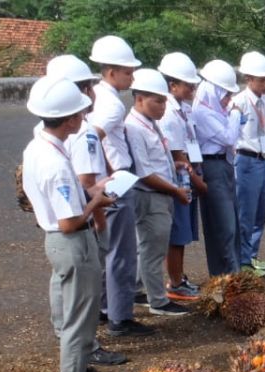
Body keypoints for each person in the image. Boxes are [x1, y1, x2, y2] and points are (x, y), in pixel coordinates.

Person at [22, 77, 116, 372]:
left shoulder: (36, 147)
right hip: (72, 240)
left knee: (67, 307)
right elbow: (69, 221)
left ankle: (73, 371)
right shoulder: (57, 164)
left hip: (56, 239)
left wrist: (87, 193)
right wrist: (96, 203)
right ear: (71, 119)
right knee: (81, 313)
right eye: (80, 112)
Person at [44, 54, 128, 370]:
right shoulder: (83, 130)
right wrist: (100, 220)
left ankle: (70, 341)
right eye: (89, 87)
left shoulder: (43, 135)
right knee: (84, 296)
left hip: (55, 226)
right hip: (79, 224)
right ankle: (85, 348)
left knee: (62, 286)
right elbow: (86, 183)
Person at [88, 34, 155, 337]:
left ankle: (106, 308)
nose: (132, 77)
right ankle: (120, 316)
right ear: (111, 72)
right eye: (127, 72)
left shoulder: (97, 96)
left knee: (109, 248)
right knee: (122, 250)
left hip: (109, 176)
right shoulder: (112, 105)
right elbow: (91, 139)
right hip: (117, 178)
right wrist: (106, 172)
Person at [126, 69, 192, 317]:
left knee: (149, 247)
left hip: (161, 192)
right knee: (153, 250)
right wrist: (175, 189)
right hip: (151, 195)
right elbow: (144, 172)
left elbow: (155, 162)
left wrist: (174, 166)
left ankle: (142, 291)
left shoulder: (150, 124)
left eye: (164, 100)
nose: (163, 106)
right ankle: (158, 300)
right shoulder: (134, 128)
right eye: (158, 100)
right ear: (140, 98)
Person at [158, 52, 206, 301]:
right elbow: (178, 153)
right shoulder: (168, 114)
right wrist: (199, 182)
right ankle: (175, 282)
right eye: (188, 84)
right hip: (178, 180)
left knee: (182, 232)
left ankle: (178, 278)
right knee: (177, 234)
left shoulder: (182, 109)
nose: (193, 88)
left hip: (185, 178)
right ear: (172, 85)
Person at [193, 59, 242, 276]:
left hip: (223, 164)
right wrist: (235, 113)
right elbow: (229, 137)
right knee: (224, 225)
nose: (229, 99)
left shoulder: (215, 110)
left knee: (230, 222)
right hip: (212, 165)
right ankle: (229, 274)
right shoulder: (203, 111)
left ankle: (230, 272)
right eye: (227, 94)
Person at [233, 51, 265, 271]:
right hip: (246, 159)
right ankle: (242, 260)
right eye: (261, 80)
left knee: (261, 211)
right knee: (245, 213)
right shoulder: (238, 102)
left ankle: (252, 254)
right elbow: (232, 135)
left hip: (263, 159)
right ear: (248, 79)